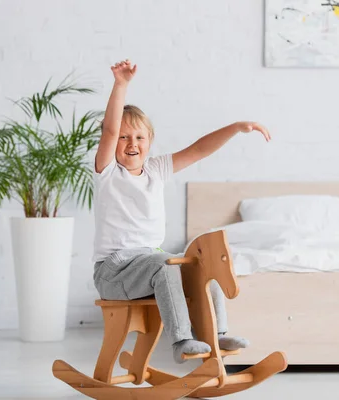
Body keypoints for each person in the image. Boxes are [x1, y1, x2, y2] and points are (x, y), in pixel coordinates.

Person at [92, 59, 271, 363]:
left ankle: (217, 334)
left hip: (147, 262)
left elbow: (198, 150)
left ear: (149, 142)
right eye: (124, 137)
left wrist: (236, 128)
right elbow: (109, 131)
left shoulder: (156, 169)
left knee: (199, 266)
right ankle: (181, 340)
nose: (131, 143)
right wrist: (120, 84)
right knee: (164, 263)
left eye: (139, 137)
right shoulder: (108, 171)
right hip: (114, 270)